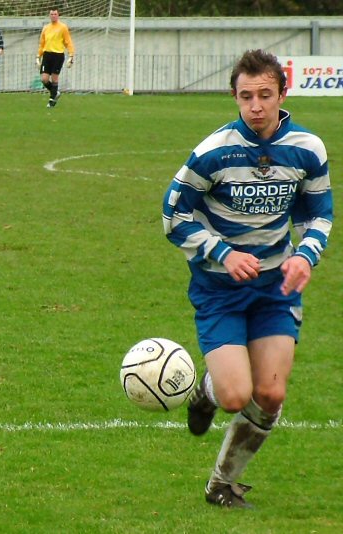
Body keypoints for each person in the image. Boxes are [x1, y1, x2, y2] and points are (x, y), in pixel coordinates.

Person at [162, 49, 333, 509]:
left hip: (275, 287)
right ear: (233, 97)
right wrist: (222, 251)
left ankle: (223, 482)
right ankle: (210, 388)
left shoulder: (307, 149)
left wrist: (306, 258)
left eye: (265, 95)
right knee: (237, 395)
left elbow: (320, 214)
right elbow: (172, 215)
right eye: (245, 96)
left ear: (282, 93)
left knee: (271, 393)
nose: (256, 106)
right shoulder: (212, 152)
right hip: (219, 288)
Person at [36, 9, 75, 108]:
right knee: (44, 79)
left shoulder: (63, 27)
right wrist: (38, 56)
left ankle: (52, 101)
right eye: (51, 14)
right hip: (47, 55)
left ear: (58, 15)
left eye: (55, 14)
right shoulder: (46, 28)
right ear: (49, 15)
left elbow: (68, 42)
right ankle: (56, 92)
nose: (53, 16)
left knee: (54, 78)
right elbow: (42, 43)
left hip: (58, 55)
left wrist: (71, 55)